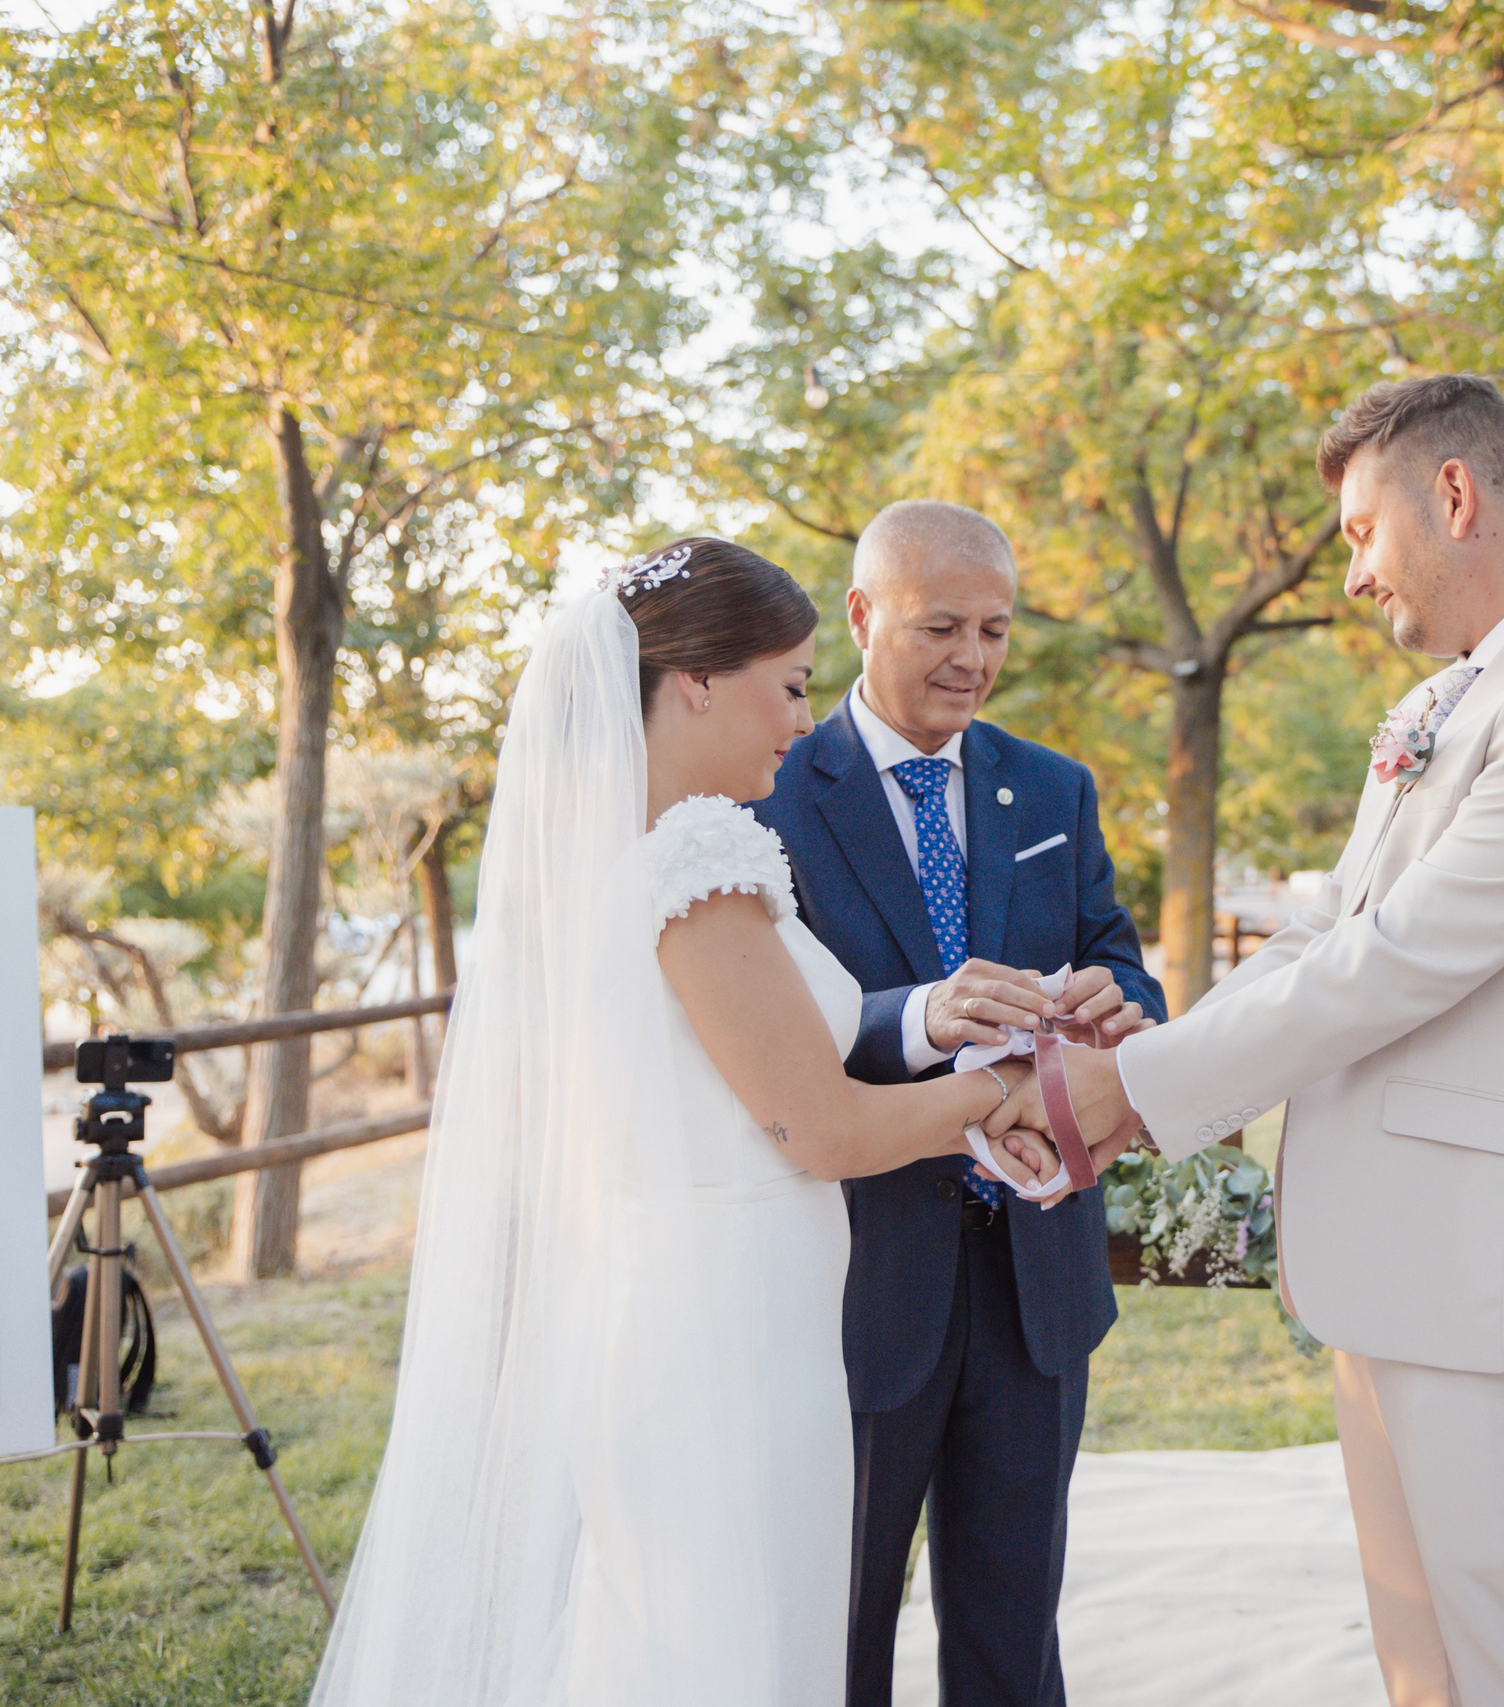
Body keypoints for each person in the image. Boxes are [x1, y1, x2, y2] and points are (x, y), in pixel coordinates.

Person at [994, 374, 1504, 1707]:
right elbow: (1334, 926)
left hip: (1502, 1289)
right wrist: (1155, 1032)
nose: (1355, 574)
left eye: (1357, 533)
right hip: (1412, 1271)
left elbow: (1401, 961)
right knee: (1426, 1676)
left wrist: (1129, 1092)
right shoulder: (1476, 689)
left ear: (1455, 496)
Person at [308, 538, 1061, 1706]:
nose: (800, 716)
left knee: (690, 1632)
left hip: (690, 1296)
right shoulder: (694, 867)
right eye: (793, 681)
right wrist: (1008, 1094)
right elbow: (821, 1133)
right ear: (697, 680)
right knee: (730, 1645)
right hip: (726, 1329)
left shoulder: (613, 861)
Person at [756, 500, 1163, 1707]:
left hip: (1038, 1279)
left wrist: (1112, 999)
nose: (973, 660)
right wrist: (916, 1015)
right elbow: (774, 1030)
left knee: (1011, 1633)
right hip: (858, 1274)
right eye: (942, 626)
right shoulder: (766, 798)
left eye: (995, 629)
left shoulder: (1052, 790)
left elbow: (1124, 964)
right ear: (861, 615)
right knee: (841, 1631)